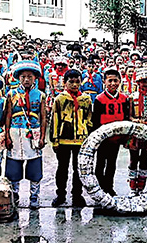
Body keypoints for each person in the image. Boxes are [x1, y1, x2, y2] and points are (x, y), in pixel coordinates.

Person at [4, 60, 47, 209]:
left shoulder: (40, 95)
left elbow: (43, 118)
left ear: (35, 78)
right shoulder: (11, 94)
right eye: (23, 77)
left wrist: (42, 137)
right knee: (13, 167)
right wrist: (7, 136)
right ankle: (14, 196)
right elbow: (8, 116)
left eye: (30, 76)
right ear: (18, 78)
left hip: (33, 133)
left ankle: (34, 197)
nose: (26, 80)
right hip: (15, 132)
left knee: (34, 168)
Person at [50, 69, 93, 207]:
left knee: (78, 169)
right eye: (71, 82)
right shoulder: (60, 99)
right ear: (65, 82)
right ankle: (60, 195)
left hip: (81, 140)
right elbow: (54, 119)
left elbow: (89, 118)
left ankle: (77, 195)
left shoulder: (86, 99)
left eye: (77, 82)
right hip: (63, 139)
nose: (74, 85)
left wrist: (88, 136)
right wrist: (55, 140)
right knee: (62, 168)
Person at [92, 68, 129, 196]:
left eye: (115, 80)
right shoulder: (99, 99)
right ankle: (100, 187)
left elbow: (126, 117)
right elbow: (95, 120)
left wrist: (124, 136)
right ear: (104, 82)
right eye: (110, 81)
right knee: (100, 163)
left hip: (116, 138)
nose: (113, 83)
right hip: (103, 138)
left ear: (119, 81)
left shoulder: (124, 98)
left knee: (112, 163)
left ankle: (109, 187)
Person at [126, 66, 147, 196]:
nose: (146, 84)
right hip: (135, 132)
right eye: (144, 82)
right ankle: (133, 187)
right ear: (138, 82)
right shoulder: (132, 97)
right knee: (133, 159)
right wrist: (136, 120)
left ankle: (142, 186)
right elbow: (129, 116)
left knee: (144, 159)